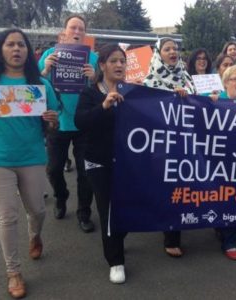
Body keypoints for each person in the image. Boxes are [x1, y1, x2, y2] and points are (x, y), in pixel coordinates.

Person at [0, 28, 59, 298]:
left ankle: (35, 234)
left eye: (21, 45)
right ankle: (13, 271)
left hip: (32, 156)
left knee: (37, 210)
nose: (16, 49)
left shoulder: (40, 85)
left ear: (28, 51)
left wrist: (52, 120)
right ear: (0, 50)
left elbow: (53, 121)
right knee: (7, 215)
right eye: (10, 44)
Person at [38, 15, 97, 233]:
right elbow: (33, 90)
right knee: (53, 169)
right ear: (64, 31)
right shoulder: (48, 55)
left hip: (84, 123)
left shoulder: (93, 58)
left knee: (85, 172)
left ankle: (84, 212)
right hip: (57, 123)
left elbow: (103, 89)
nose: (77, 31)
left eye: (81, 28)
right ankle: (61, 197)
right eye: (73, 27)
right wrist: (44, 71)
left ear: (84, 34)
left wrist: (94, 78)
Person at [75, 44, 128, 284]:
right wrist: (103, 106)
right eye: (114, 61)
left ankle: (118, 237)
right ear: (102, 65)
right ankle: (115, 261)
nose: (119, 65)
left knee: (127, 209)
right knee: (108, 212)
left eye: (122, 61)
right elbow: (81, 122)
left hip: (129, 164)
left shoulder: (134, 91)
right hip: (99, 162)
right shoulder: (90, 93)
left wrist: (177, 96)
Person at [143, 38, 196, 257]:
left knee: (181, 190)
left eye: (175, 48)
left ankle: (174, 231)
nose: (172, 52)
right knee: (167, 190)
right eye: (167, 49)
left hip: (186, 144)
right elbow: (146, 111)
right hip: (161, 146)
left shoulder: (187, 78)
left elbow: (199, 106)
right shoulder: (148, 81)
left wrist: (192, 98)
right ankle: (170, 236)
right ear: (158, 53)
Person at [209, 65, 236, 260]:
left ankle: (230, 241)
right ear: (225, 82)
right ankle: (220, 226)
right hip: (219, 159)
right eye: (234, 79)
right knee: (219, 195)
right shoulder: (216, 100)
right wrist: (209, 104)